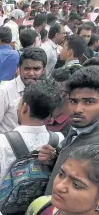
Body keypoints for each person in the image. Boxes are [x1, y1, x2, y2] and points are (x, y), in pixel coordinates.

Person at [0, 79, 64, 199]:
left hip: (3, 210)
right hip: (36, 210)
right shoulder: (58, 140)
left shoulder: (1, 141)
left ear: (24, 107)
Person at [39, 66, 99, 195]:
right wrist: (54, 159)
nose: (77, 109)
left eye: (89, 102)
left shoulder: (96, 147)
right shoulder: (76, 131)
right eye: (74, 101)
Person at [0, 47, 47, 143]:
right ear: (19, 69)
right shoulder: (5, 91)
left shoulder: (43, 92)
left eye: (36, 69)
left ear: (43, 71)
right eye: (27, 68)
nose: (31, 73)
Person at [46, 66, 81, 137]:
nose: (52, 93)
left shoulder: (73, 123)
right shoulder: (42, 111)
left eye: (60, 91)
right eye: (50, 88)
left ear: (70, 94)